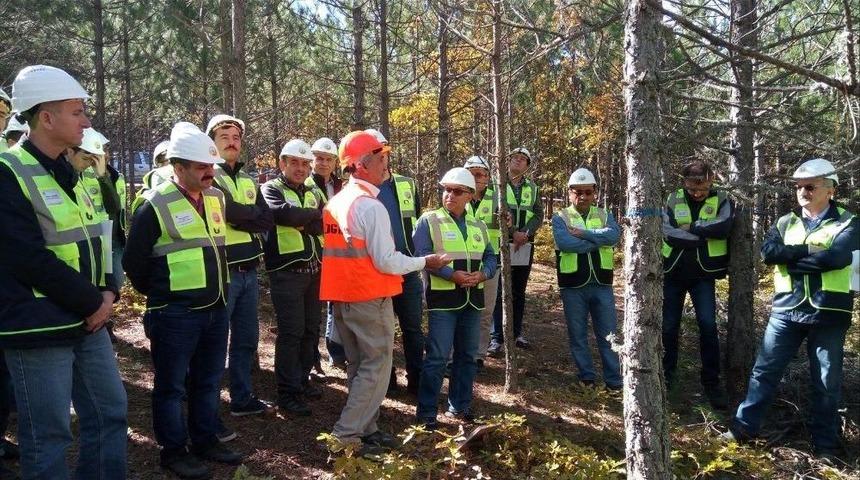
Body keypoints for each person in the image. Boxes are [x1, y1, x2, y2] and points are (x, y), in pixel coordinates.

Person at [0, 64, 127, 479]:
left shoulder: (71, 172)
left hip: (88, 319)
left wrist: (109, 291)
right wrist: (94, 302)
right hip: (39, 326)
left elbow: (98, 236)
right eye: (77, 112)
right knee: (48, 436)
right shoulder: (8, 172)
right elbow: (26, 256)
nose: (87, 121)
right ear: (46, 117)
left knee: (111, 412)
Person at [124, 122, 243, 478]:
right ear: (178, 167)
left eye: (212, 166)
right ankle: (173, 451)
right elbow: (134, 262)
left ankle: (205, 439)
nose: (210, 173)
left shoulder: (216, 197)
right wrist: (165, 295)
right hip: (175, 313)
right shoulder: (153, 204)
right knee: (171, 386)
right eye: (201, 167)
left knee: (208, 381)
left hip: (216, 308)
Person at [321, 130, 449, 456]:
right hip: (369, 298)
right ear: (363, 165)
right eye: (381, 159)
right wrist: (425, 261)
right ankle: (346, 437)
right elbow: (387, 261)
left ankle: (367, 430)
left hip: (344, 299)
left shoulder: (337, 200)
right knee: (374, 370)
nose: (386, 166)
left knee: (358, 366)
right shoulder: (370, 206)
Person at [721, 158, 857, 460]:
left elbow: (837, 259)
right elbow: (769, 253)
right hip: (787, 309)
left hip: (829, 312)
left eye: (810, 186)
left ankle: (825, 446)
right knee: (764, 372)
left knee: (826, 380)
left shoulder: (849, 221)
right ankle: (743, 430)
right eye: (798, 187)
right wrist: (810, 250)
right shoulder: (785, 221)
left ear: (830, 189)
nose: (802, 192)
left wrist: (791, 258)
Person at [413, 167, 497, 429]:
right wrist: (452, 276)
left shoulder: (478, 225)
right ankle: (427, 413)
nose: (450, 195)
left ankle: (459, 406)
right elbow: (423, 256)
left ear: (470, 195)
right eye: (446, 190)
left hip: (473, 300)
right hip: (443, 300)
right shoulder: (429, 220)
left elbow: (491, 256)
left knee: (467, 356)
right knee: (437, 356)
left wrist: (483, 274)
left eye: (457, 191)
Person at [206, 114, 274, 422]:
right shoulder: (209, 175)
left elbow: (266, 218)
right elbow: (222, 211)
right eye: (224, 137)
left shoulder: (247, 180)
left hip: (249, 269)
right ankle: (207, 407)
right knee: (215, 342)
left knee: (246, 339)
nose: (232, 142)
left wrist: (241, 214)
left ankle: (241, 397)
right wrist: (248, 214)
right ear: (213, 144)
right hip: (223, 271)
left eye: (236, 137)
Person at [661, 159, 733, 409]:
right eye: (692, 188)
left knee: (708, 326)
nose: (697, 193)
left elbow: (723, 227)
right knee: (668, 327)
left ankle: (712, 383)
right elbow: (668, 231)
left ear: (711, 180)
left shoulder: (721, 199)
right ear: (684, 183)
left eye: (701, 187)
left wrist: (692, 227)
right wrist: (699, 238)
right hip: (673, 272)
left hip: (704, 275)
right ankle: (666, 378)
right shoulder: (673, 198)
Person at [262, 139, 325, 416]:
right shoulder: (270, 188)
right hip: (286, 273)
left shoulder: (313, 190)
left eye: (305, 163)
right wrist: (309, 217)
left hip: (315, 270)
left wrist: (305, 220)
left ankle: (301, 381)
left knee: (311, 330)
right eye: (294, 162)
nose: (300, 168)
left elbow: (328, 218)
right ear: (282, 163)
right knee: (291, 333)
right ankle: (287, 393)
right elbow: (279, 213)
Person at [366, 127, 424, 395]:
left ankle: (417, 381)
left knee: (412, 328)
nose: (382, 156)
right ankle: (387, 383)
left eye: (384, 150)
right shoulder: (363, 187)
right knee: (384, 332)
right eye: (375, 151)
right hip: (378, 271)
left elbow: (416, 220)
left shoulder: (407, 183)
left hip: (408, 268)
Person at [552, 168, 622, 390]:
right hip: (573, 285)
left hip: (602, 283)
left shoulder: (604, 215)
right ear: (570, 193)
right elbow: (565, 244)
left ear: (595, 193)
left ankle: (614, 381)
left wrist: (584, 234)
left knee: (609, 335)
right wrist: (598, 240)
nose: (582, 197)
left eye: (587, 192)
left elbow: (614, 235)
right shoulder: (560, 217)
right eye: (577, 192)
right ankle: (587, 378)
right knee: (578, 334)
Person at [488, 146, 543, 355]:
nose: (518, 161)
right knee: (500, 289)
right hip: (503, 243)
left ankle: (516, 332)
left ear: (527, 166)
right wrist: (512, 231)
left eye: (523, 159)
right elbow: (496, 211)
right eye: (515, 158)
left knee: (519, 291)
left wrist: (526, 232)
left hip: (525, 245)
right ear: (508, 161)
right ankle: (496, 337)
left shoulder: (533, 188)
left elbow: (538, 214)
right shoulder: (496, 184)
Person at [306, 136, 345, 371]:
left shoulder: (342, 186)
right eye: (319, 158)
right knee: (312, 313)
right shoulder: (306, 185)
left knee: (336, 305)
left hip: (340, 254)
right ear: (312, 160)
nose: (323, 163)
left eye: (328, 159)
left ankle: (336, 352)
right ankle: (312, 360)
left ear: (335, 162)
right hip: (315, 253)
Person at [463, 156, 500, 368]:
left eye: (480, 174)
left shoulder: (498, 198)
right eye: (472, 173)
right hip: (462, 262)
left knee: (485, 311)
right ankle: (455, 354)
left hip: (490, 264)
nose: (476, 178)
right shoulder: (458, 194)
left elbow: (509, 229)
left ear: (487, 177)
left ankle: (478, 355)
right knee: (460, 310)